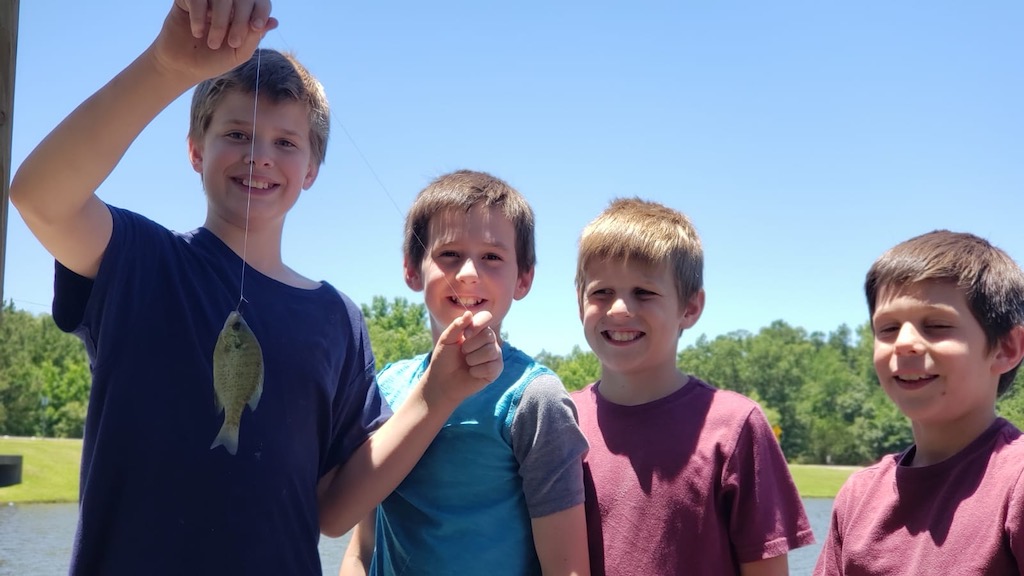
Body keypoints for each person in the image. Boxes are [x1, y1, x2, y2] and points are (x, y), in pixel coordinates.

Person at [9, 2, 503, 574]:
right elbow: (39, 196)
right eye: (237, 133)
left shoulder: (336, 319)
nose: (259, 156)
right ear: (196, 150)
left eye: (286, 143)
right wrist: (167, 66)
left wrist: (436, 395)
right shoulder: (141, 262)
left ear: (313, 168)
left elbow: (334, 510)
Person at [339, 170, 591, 576]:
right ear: (411, 270)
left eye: (492, 257)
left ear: (523, 278)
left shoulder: (535, 398)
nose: (469, 272)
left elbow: (568, 569)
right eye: (449, 254)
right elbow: (360, 548)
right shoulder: (385, 386)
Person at [570, 198, 815, 576]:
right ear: (579, 301)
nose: (618, 309)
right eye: (601, 292)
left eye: (644, 292)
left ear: (690, 307)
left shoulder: (734, 426)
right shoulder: (559, 421)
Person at [813, 230, 1024, 575]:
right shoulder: (859, 495)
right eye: (887, 329)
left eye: (937, 325)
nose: (904, 343)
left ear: (1006, 349)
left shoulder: (1016, 484)